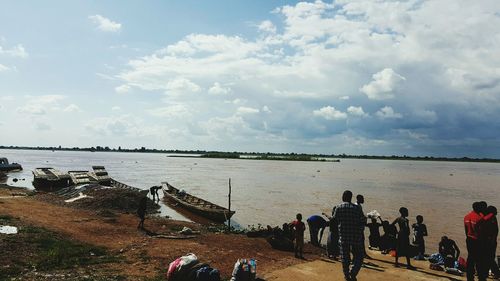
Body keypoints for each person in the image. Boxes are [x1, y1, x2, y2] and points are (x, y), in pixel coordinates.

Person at [333, 190, 365, 281]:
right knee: (359, 256)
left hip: (343, 237)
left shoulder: (339, 207)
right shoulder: (357, 208)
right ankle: (353, 272)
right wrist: (360, 231)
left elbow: (334, 221)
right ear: (351, 197)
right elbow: (362, 221)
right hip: (355, 237)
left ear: (343, 197)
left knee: (345, 258)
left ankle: (346, 275)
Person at [482, 205, 500, 278]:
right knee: (489, 258)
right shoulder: (492, 218)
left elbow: (494, 231)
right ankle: (487, 273)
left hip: (490, 242)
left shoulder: (490, 218)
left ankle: (496, 273)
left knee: (489, 258)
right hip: (491, 242)